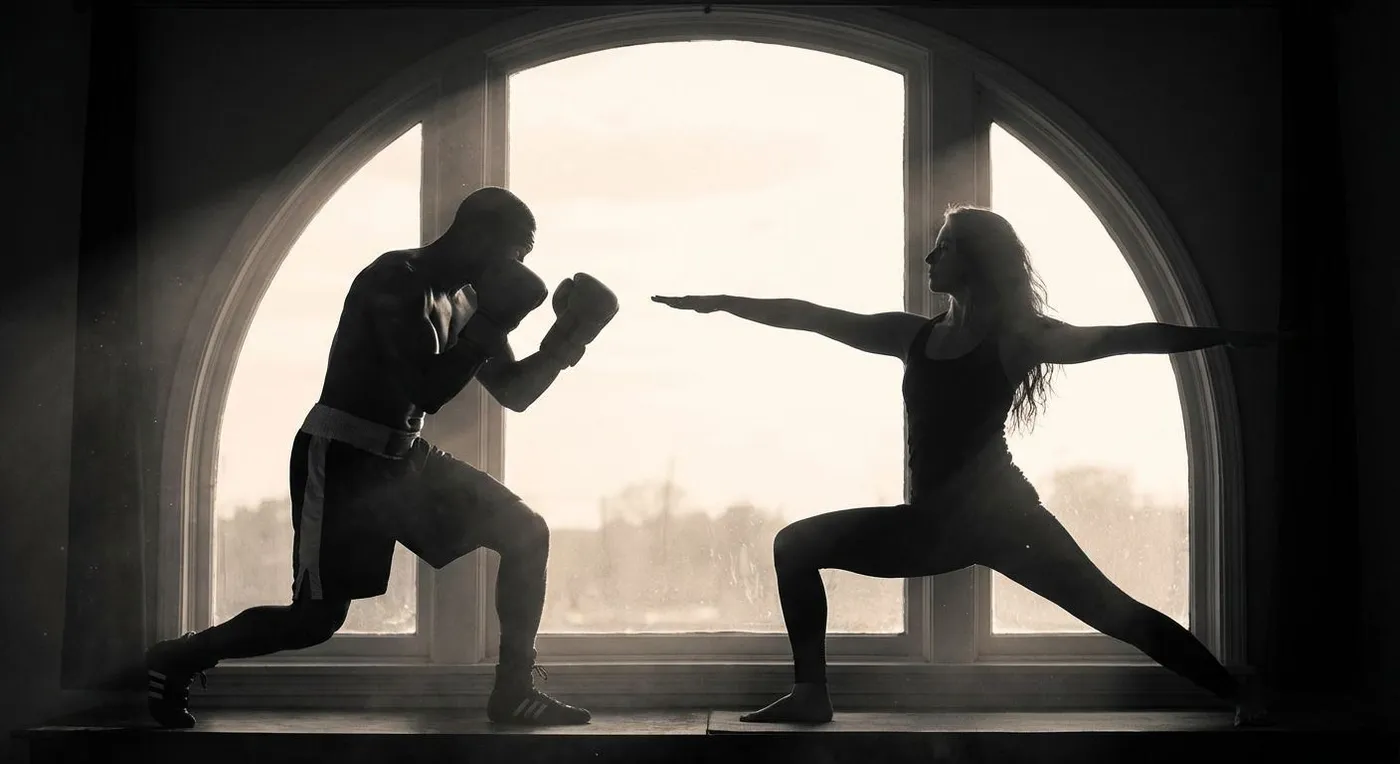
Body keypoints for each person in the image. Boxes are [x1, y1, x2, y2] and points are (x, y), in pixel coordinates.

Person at [653, 204, 1277, 727]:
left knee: (1116, 612)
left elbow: (1121, 337)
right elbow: (814, 317)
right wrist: (720, 301)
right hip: (933, 525)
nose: (930, 259)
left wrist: (1220, 338)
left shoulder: (1017, 338)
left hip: (1006, 520)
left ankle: (1240, 696)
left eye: (944, 248)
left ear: (974, 261)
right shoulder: (912, 336)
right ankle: (812, 695)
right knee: (794, 546)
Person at [146, 186, 619, 729]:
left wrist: (567, 340)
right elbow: (427, 387)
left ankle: (514, 691)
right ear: (477, 232)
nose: (515, 271)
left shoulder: (468, 301)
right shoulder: (395, 279)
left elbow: (515, 392)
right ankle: (177, 657)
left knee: (526, 531)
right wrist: (496, 323)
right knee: (314, 621)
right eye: (515, 254)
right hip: (343, 456)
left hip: (402, 456)